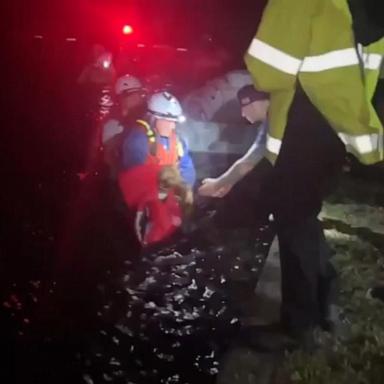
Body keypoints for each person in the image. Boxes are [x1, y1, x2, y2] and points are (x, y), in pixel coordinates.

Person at [240, 0, 384, 350]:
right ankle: (322, 298)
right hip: (337, 123)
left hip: (305, 120)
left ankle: (299, 325)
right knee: (304, 212)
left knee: (292, 216)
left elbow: (269, 69)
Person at [118, 91, 196, 246]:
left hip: (170, 198)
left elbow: (187, 171)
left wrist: (183, 194)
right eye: (168, 121)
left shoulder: (178, 141)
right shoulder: (138, 141)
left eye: (174, 121)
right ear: (154, 118)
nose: (172, 125)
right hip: (147, 202)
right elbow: (133, 180)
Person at [198, 85, 269, 199]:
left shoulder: (273, 123)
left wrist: (217, 184)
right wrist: (229, 182)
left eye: (243, 107)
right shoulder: (273, 120)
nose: (243, 114)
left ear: (253, 103)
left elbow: (247, 163)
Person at [101, 74, 147, 178]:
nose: (138, 98)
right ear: (121, 98)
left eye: (139, 94)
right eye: (132, 95)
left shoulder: (144, 117)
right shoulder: (112, 124)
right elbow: (109, 158)